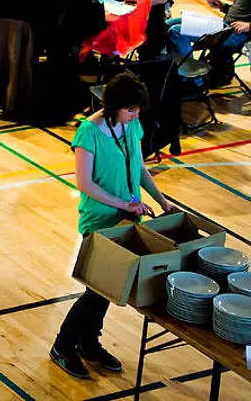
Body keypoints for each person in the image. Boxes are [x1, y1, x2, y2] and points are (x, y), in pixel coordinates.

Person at [50, 72, 175, 380]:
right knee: (97, 290)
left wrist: (162, 201)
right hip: (100, 222)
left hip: (128, 218)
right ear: (115, 105)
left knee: (109, 288)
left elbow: (140, 168)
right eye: (131, 109)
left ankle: (88, 342)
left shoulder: (132, 126)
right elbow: (85, 183)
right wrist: (125, 204)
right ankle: (63, 346)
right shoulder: (88, 133)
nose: (135, 115)